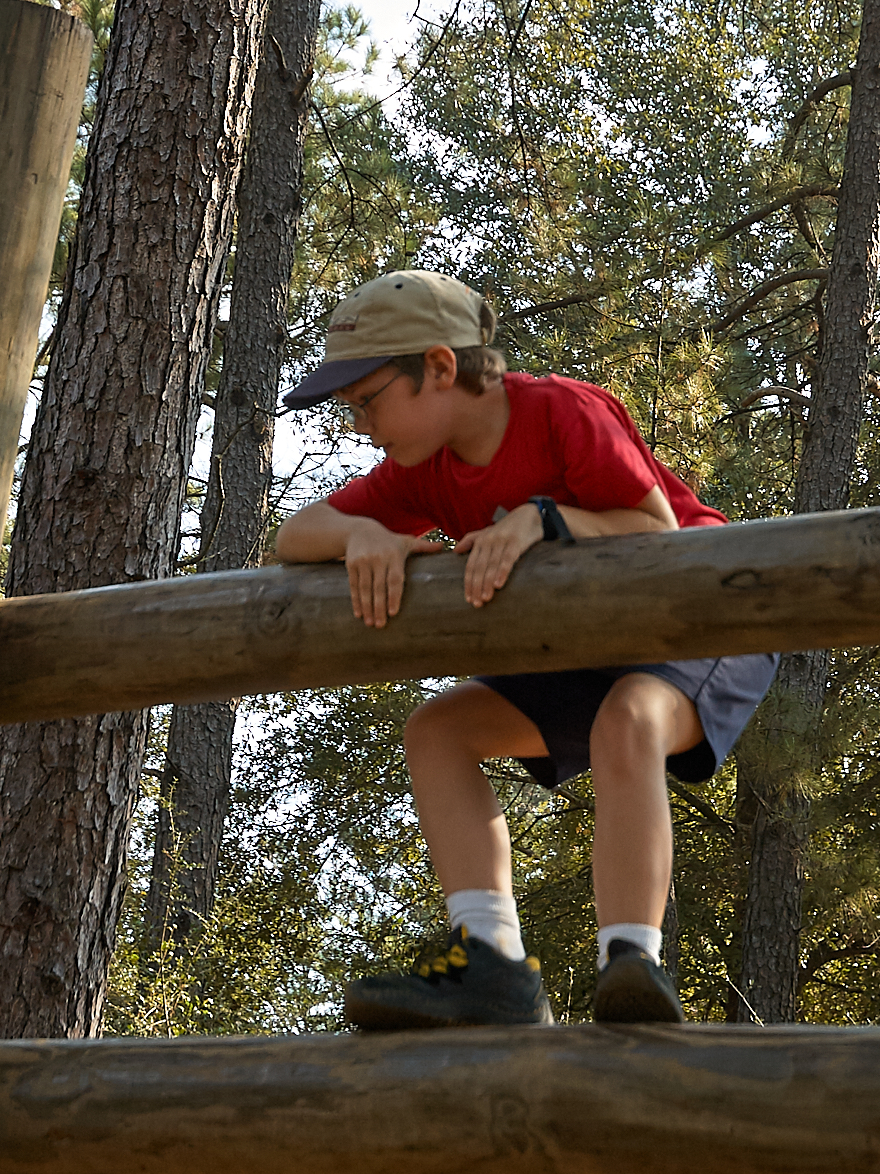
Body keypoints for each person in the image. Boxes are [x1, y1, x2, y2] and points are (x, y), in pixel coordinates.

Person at [276, 269, 777, 1030]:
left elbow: (655, 530)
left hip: (699, 616)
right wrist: (362, 533)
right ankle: (493, 963)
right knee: (437, 731)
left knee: (627, 720)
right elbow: (295, 534)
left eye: (368, 400)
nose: (360, 425)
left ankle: (632, 965)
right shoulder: (423, 468)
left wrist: (545, 518)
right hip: (586, 643)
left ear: (439, 367)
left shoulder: (560, 411)